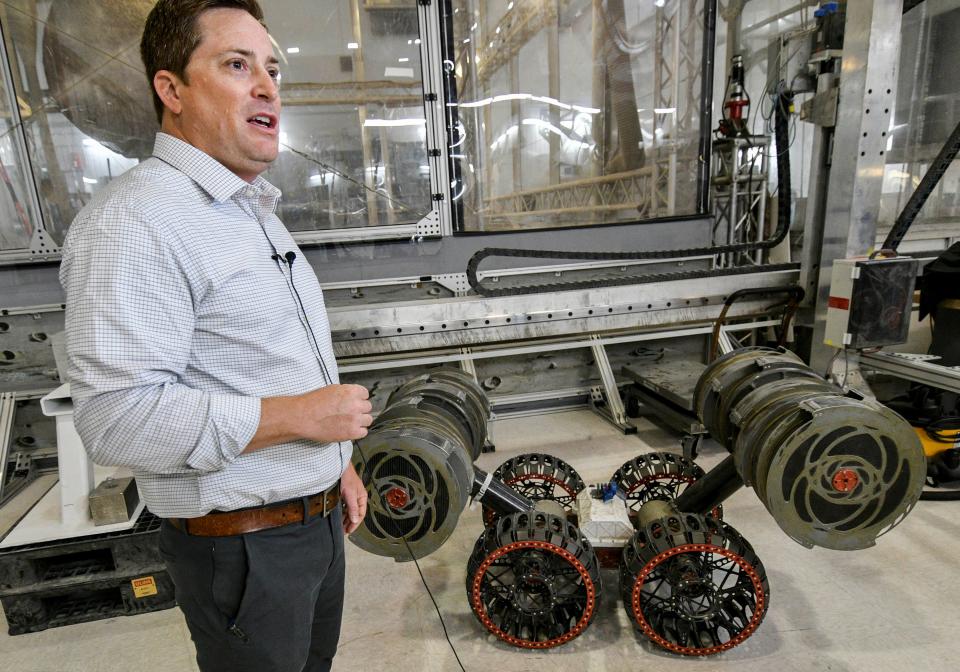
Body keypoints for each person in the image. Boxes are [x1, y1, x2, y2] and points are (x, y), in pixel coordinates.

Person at [59, 1, 372, 670]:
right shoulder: (134, 223)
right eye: (236, 65)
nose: (267, 87)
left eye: (272, 68)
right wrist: (303, 418)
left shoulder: (251, 211)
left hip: (311, 525)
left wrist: (333, 463)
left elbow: (266, 362)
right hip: (244, 549)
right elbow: (119, 420)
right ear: (171, 91)